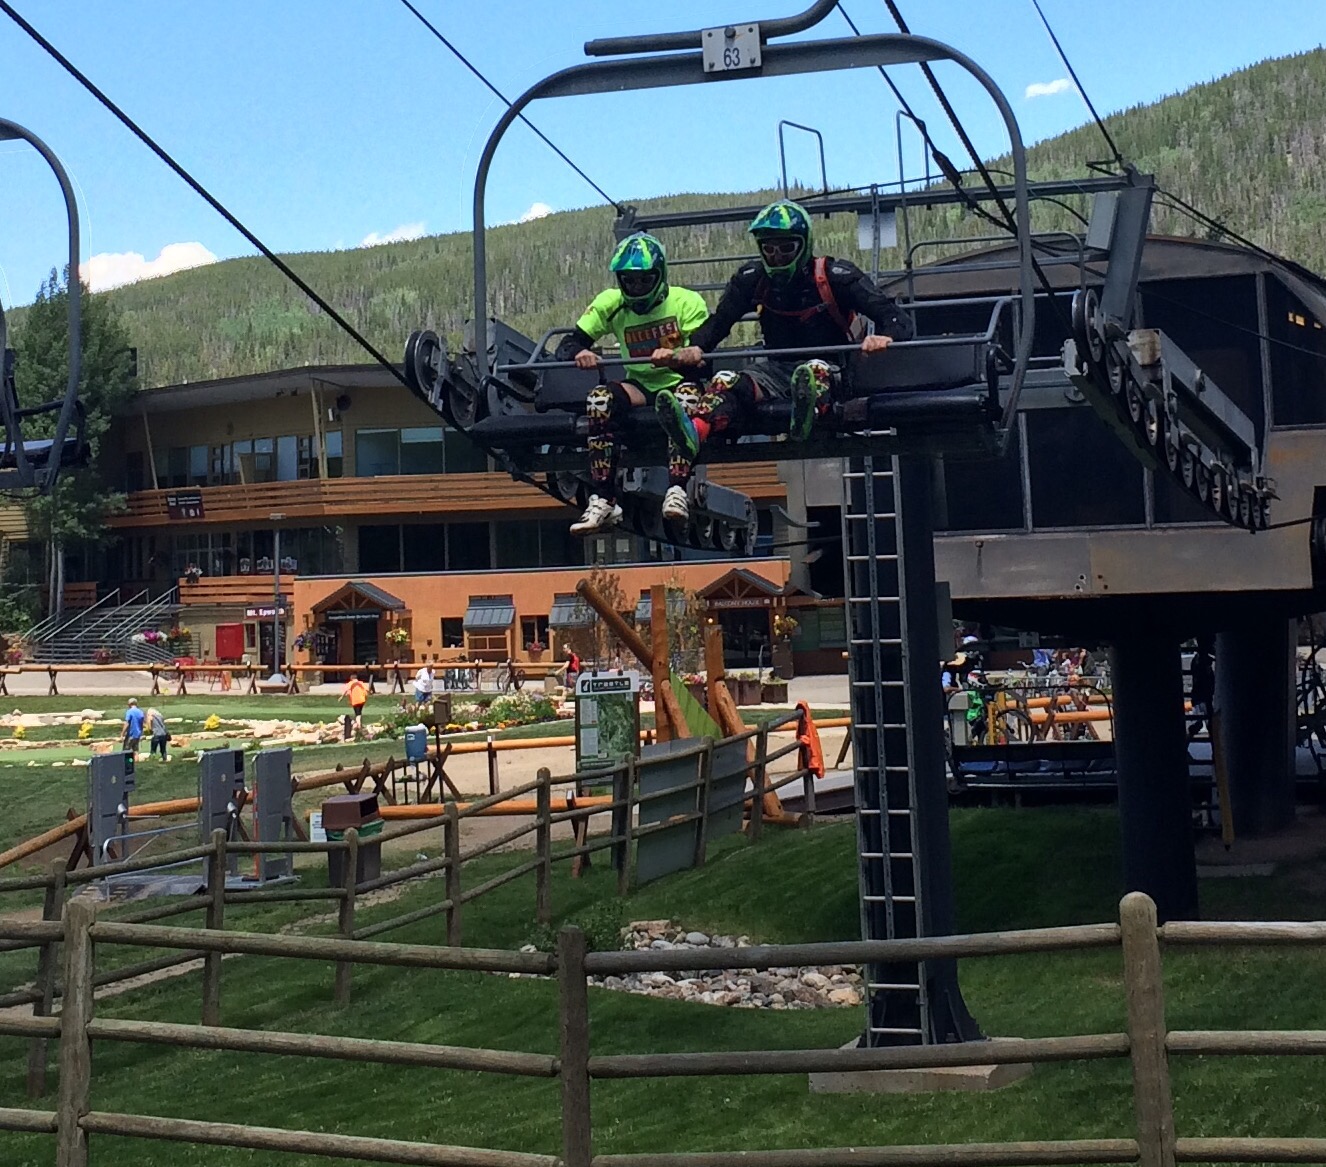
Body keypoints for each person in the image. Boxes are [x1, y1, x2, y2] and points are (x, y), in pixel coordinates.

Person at [655, 199, 914, 520]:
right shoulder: (752, 279)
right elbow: (718, 323)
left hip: (832, 367)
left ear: (803, 245)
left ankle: (807, 414)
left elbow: (896, 319)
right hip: (775, 370)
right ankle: (694, 431)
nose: (777, 257)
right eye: (769, 249)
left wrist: (885, 337)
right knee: (726, 381)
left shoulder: (837, 276)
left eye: (786, 249)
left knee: (813, 372)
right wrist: (695, 348)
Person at [554, 232, 709, 534]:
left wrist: (675, 359)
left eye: (644, 280)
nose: (637, 288)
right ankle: (605, 497)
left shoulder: (686, 302)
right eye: (630, 281)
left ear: (659, 275)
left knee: (686, 398)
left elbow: (705, 357)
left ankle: (678, 486)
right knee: (599, 400)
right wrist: (580, 353)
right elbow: (569, 343)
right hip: (639, 384)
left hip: (679, 381)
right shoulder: (611, 303)